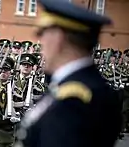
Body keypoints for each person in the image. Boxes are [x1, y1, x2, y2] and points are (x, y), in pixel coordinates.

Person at [15, 0, 122, 147]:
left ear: (58, 37)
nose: (41, 45)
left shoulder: (73, 100)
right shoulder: (85, 85)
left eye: (42, 34)